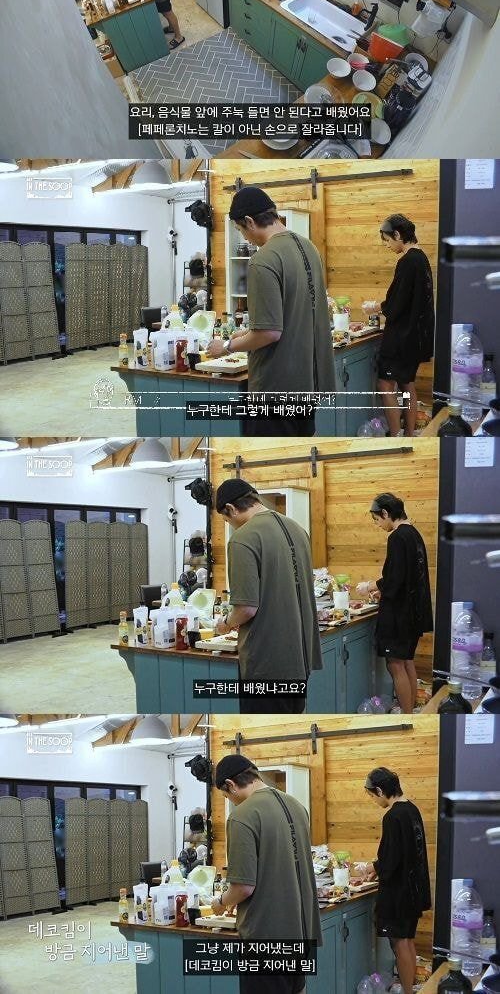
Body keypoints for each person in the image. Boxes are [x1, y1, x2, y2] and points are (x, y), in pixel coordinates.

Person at [206, 187, 336, 437]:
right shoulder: (309, 247)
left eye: (241, 230)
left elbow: (269, 333)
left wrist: (227, 346)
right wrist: (249, 331)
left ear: (250, 221)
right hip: (307, 382)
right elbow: (294, 312)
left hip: (276, 388)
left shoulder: (263, 259)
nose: (245, 238)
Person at [212, 754, 322, 994]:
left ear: (230, 784)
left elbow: (243, 887)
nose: (230, 801)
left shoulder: (242, 816)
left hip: (266, 938)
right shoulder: (297, 807)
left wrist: (221, 902)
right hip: (300, 931)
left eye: (226, 795)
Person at [214, 478, 323, 713]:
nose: (230, 525)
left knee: (263, 726)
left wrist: (225, 623)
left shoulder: (243, 538)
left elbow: (246, 608)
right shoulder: (298, 530)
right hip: (300, 657)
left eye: (226, 519)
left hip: (267, 664)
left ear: (231, 508)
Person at [356, 493, 433, 714]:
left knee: (395, 665)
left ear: (386, 513)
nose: (378, 525)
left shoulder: (398, 537)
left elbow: (394, 578)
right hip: (413, 613)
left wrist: (370, 586)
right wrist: (383, 591)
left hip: (399, 615)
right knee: (407, 661)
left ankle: (406, 717)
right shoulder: (413, 534)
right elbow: (407, 577)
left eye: (377, 520)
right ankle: (411, 713)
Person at [360, 767, 431, 994]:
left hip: (399, 893)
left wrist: (373, 867)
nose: (374, 800)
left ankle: (408, 991)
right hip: (414, 890)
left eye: (372, 795)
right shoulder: (411, 809)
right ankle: (410, 989)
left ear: (380, 791)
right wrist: (378, 868)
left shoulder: (393, 816)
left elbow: (391, 859)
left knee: (400, 944)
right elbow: (406, 852)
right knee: (407, 941)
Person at [363, 214, 434, 437]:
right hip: (417, 338)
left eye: (387, 240)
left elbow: (396, 303)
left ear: (397, 235)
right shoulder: (421, 258)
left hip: (402, 338)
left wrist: (374, 307)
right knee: (406, 384)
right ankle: (409, 434)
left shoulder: (408, 261)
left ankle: (395, 436)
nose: (387, 245)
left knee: (385, 385)